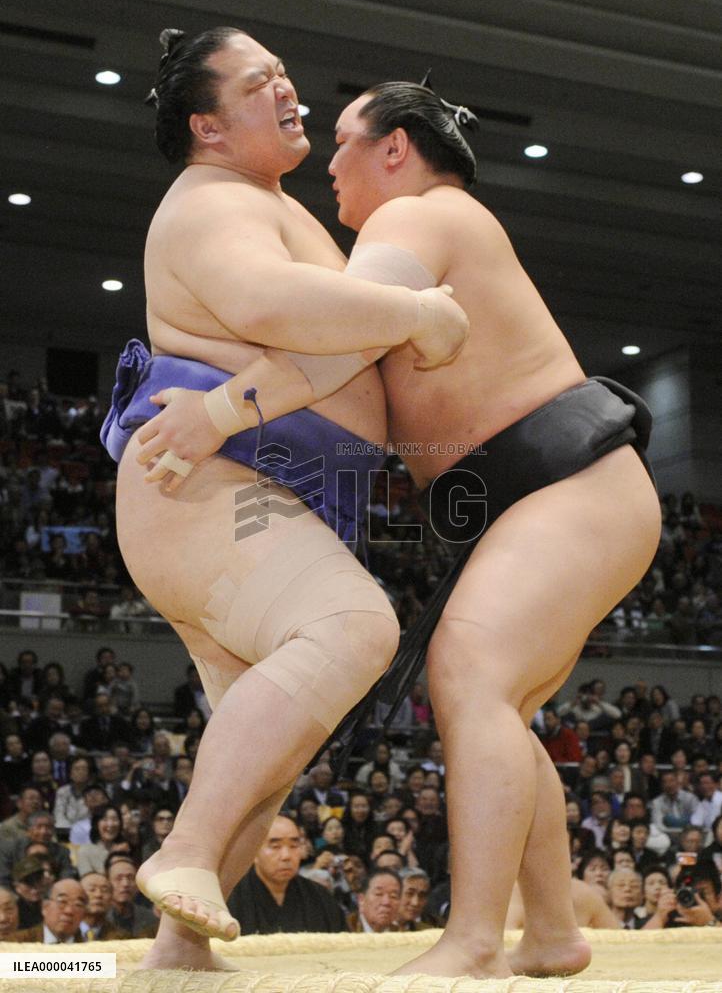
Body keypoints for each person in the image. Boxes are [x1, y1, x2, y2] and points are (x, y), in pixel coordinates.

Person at [144, 72, 661, 977]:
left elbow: (336, 338)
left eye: (347, 140)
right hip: (543, 497)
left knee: (470, 674)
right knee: (503, 704)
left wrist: (220, 411)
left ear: (394, 148)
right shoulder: (425, 227)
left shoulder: (417, 218)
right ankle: (550, 933)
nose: (331, 162)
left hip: (565, 485)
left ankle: (471, 942)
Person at [98, 24, 467, 966]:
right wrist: (419, 312)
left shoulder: (257, 197)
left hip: (266, 488)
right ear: (208, 127)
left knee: (265, 748)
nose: (287, 89)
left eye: (284, 73)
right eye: (260, 81)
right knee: (354, 627)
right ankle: (183, 851)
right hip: (214, 484)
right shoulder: (211, 201)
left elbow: (318, 341)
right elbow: (270, 305)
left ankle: (178, 952)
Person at [227, 814, 346, 933]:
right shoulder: (230, 899)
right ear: (253, 852)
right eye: (275, 846)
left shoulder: (320, 897)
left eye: (293, 846)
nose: (286, 856)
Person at [11, 878, 87, 944]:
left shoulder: (91, 948)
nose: (69, 911)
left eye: (78, 905)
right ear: (45, 907)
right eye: (62, 902)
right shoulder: (16, 943)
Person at [347, 869, 402, 933]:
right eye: (378, 894)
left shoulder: (402, 935)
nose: (386, 902)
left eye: (393, 896)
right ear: (361, 900)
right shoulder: (344, 927)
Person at [79, 872, 128, 941]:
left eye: (104, 890)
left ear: (111, 899)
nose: (98, 895)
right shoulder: (65, 932)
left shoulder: (120, 937)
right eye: (92, 890)